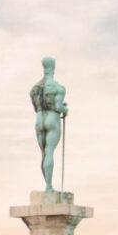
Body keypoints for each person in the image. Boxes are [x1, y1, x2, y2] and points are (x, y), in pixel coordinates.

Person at [30, 57, 68, 192]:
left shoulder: (34, 89)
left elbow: (35, 108)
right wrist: (65, 109)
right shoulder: (58, 87)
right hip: (52, 119)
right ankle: (48, 187)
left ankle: (48, 185)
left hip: (39, 119)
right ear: (54, 68)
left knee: (43, 154)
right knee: (50, 152)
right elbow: (58, 106)